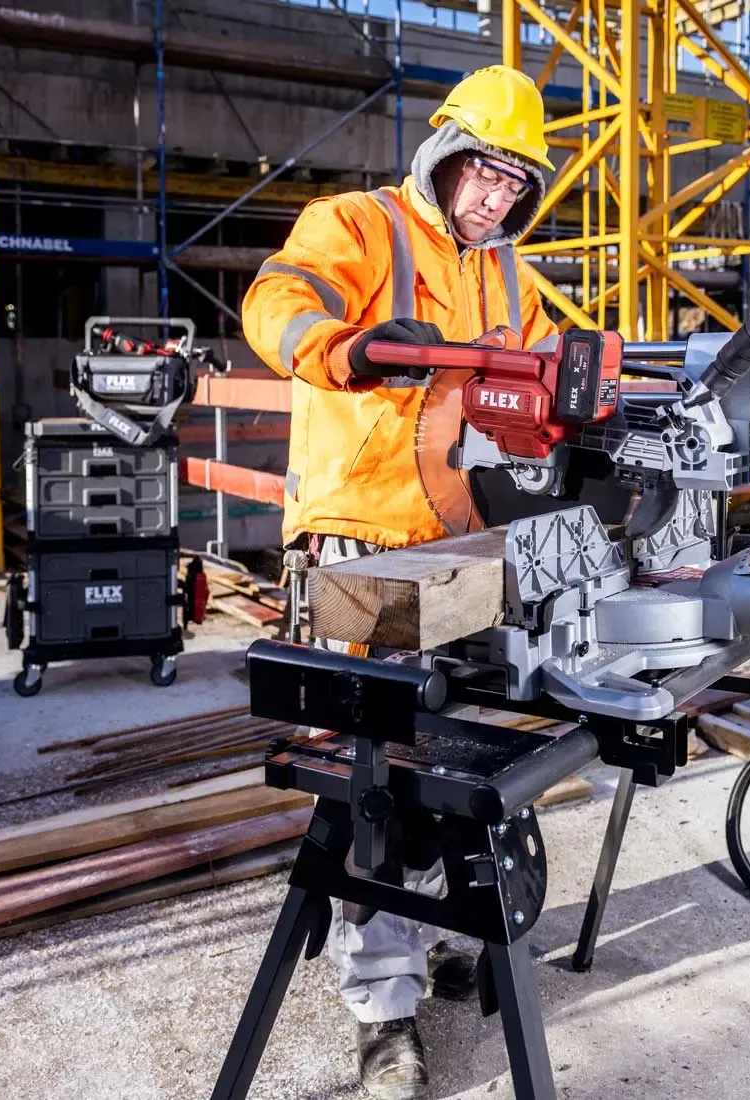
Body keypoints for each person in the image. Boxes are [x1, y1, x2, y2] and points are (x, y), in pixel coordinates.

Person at [241, 65, 558, 1100]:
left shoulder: (506, 273)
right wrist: (351, 350)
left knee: (483, 739)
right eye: (487, 172)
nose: (495, 197)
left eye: (516, 183)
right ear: (445, 150)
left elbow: (546, 373)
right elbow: (275, 303)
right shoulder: (359, 224)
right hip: (361, 542)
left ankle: (459, 920)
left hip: (462, 540)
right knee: (383, 770)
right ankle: (383, 1012)